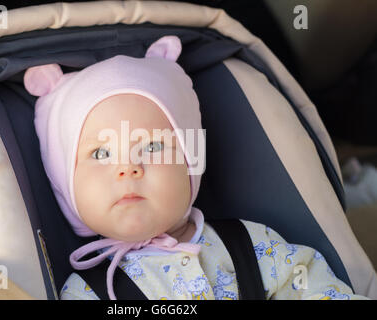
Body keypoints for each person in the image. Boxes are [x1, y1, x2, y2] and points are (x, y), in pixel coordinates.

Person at [23, 35, 368, 300]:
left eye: (153, 147)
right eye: (100, 154)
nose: (127, 168)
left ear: (191, 161)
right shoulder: (88, 291)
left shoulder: (252, 244)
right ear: (66, 187)